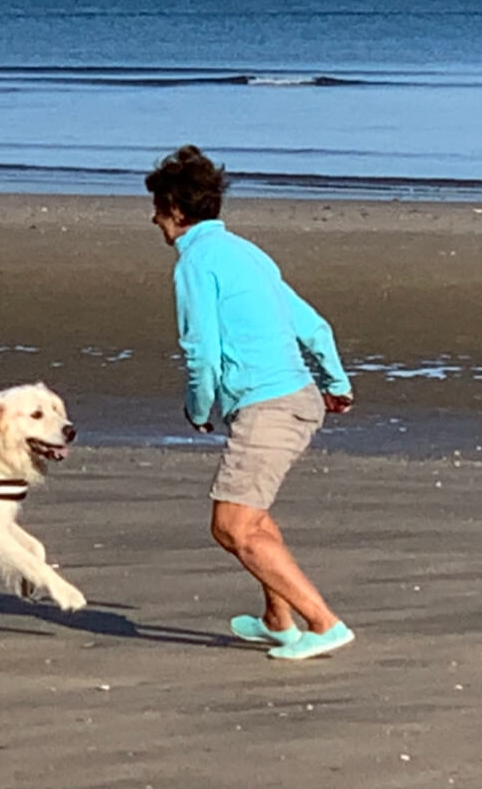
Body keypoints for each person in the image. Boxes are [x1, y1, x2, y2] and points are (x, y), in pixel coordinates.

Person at [145, 144, 355, 660]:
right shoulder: (248, 252)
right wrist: (336, 383)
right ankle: (277, 620)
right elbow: (313, 325)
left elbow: (201, 350)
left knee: (231, 526)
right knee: (255, 520)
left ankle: (324, 623)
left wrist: (198, 408)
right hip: (297, 397)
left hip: (271, 406)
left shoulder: (195, 262)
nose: (153, 220)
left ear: (176, 210)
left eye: (157, 208)